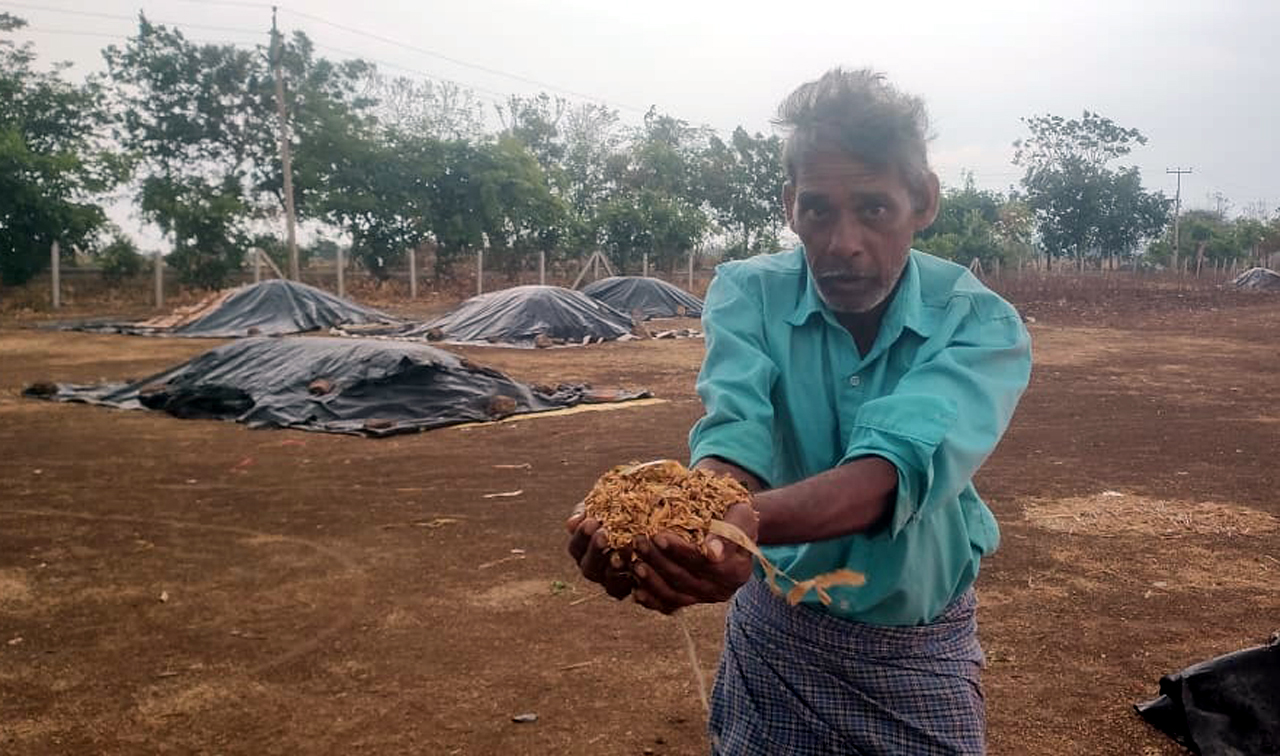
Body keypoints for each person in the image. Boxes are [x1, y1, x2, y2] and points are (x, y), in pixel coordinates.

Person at [567, 68, 1032, 755]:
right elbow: (736, 432)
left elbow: (889, 470)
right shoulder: (748, 293)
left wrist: (739, 524)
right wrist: (696, 519)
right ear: (790, 205)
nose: (843, 241)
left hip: (916, 652)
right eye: (818, 209)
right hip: (777, 635)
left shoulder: (978, 323)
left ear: (924, 201)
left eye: (874, 208)